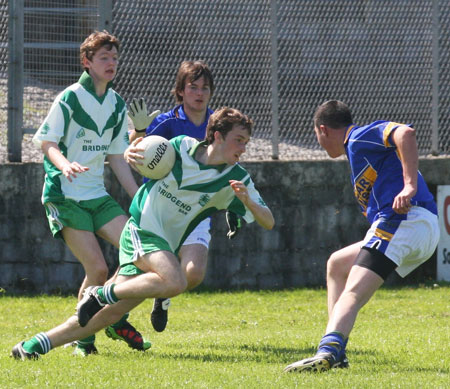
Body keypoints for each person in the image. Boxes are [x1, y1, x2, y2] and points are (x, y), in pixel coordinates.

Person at [11, 107, 275, 361]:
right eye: (238, 140)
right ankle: (102, 294)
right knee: (176, 282)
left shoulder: (236, 179)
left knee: (108, 315)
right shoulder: (181, 146)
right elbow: (140, 153)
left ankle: (35, 344)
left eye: (246, 143)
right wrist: (132, 150)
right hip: (141, 229)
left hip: (161, 247)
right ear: (217, 135)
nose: (243, 148)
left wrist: (249, 202)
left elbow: (269, 221)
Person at [284, 100, 440, 373]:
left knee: (353, 291)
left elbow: (405, 133)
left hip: (406, 221)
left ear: (323, 129)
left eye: (317, 135)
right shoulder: (356, 150)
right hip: (410, 226)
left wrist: (409, 184)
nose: (319, 142)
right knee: (337, 264)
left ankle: (328, 351)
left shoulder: (357, 137)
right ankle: (337, 351)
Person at [30, 30, 150, 356]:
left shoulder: (115, 104)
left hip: (97, 196)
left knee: (141, 252)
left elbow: (116, 158)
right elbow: (46, 143)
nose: (111, 63)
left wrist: (139, 196)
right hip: (64, 195)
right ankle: (83, 339)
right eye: (104, 58)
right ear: (87, 62)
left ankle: (110, 317)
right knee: (96, 269)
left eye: (114, 58)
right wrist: (65, 164)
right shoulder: (69, 98)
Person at [128, 60, 241, 332]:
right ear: (180, 91)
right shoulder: (166, 123)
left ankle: (163, 295)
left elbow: (227, 163)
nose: (199, 93)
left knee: (193, 273)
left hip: (194, 211)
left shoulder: (218, 124)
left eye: (205, 88)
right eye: (193, 87)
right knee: (137, 275)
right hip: (160, 209)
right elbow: (137, 150)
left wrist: (232, 203)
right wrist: (139, 132)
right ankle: (109, 311)